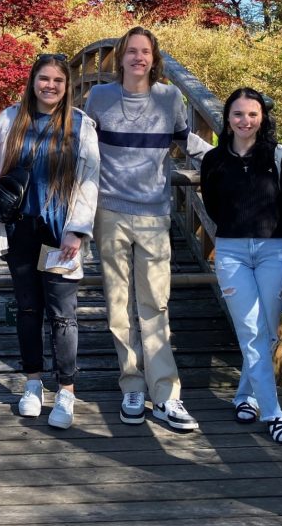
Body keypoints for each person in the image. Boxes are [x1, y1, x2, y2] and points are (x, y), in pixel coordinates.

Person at [85, 26, 207, 431]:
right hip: (109, 212)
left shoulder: (170, 98)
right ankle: (131, 384)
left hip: (154, 214)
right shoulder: (98, 97)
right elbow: (78, 148)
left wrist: (245, 158)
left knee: (155, 303)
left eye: (146, 52)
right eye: (132, 51)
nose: (139, 58)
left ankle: (167, 395)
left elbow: (187, 143)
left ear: (154, 60)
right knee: (118, 304)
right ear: (119, 57)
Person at [0, 53, 99, 430]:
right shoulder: (9, 119)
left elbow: (89, 180)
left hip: (59, 232)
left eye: (58, 80)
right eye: (43, 78)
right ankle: (33, 382)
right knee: (28, 309)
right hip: (22, 228)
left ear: (67, 86)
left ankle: (66, 390)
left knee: (62, 315)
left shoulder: (81, 125)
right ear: (32, 81)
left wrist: (78, 228)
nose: (50, 86)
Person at [199, 87, 282, 444]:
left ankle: (245, 396)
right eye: (239, 114)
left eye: (252, 114)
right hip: (231, 253)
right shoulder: (213, 160)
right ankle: (274, 414)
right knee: (251, 331)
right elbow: (211, 206)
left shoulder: (279, 155)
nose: (245, 121)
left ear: (262, 118)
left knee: (268, 332)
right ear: (227, 118)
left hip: (274, 251)